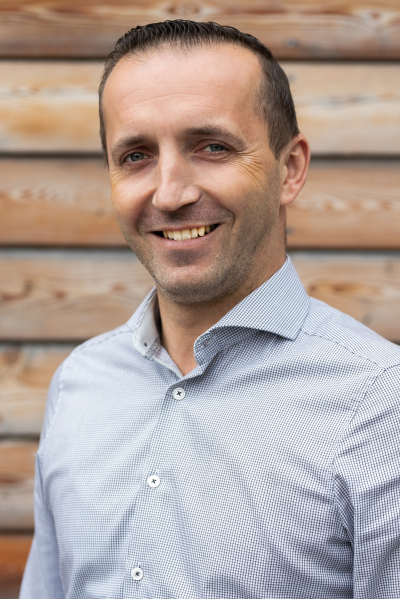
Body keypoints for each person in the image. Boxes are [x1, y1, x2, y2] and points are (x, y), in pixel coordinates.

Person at [21, 20, 400, 599]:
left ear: (289, 169)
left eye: (213, 147)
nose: (170, 193)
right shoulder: (80, 384)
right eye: (136, 155)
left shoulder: (381, 404)